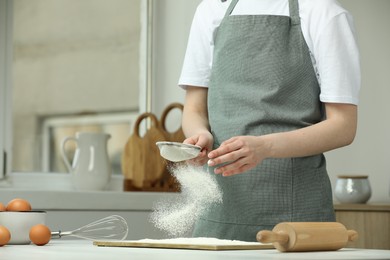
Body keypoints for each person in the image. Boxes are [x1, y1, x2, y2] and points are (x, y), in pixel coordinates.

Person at [178, 0, 360, 242]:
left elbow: (343, 127)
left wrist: (266, 147)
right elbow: (193, 109)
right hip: (219, 211)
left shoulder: (323, 13)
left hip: (298, 216)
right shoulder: (211, 10)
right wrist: (201, 135)